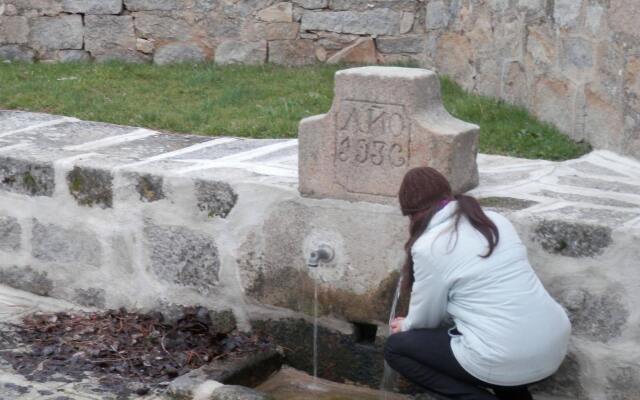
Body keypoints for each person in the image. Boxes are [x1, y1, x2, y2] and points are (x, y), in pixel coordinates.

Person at [384, 167, 571, 400]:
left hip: (506, 355)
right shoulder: (494, 220)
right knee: (496, 339)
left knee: (397, 348)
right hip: (553, 345)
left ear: (412, 214)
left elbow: (427, 318)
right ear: (447, 194)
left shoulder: (429, 246)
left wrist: (405, 326)